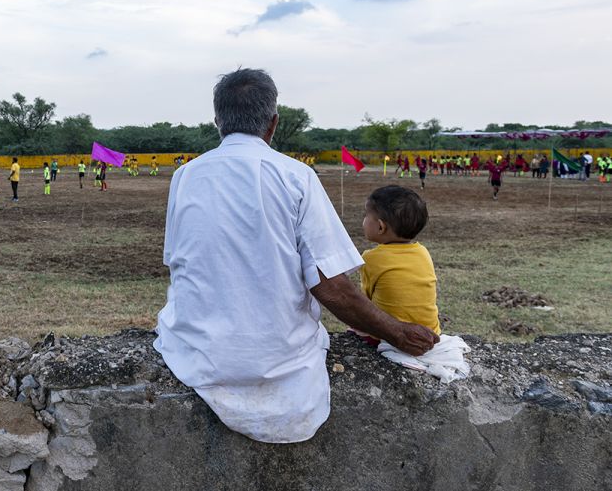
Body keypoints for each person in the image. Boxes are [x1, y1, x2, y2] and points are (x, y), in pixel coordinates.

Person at [154, 68, 438, 444]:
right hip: (282, 366)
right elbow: (331, 287)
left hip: (196, 354)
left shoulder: (185, 177)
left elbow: (179, 264)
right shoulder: (296, 176)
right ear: (273, 124)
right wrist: (396, 332)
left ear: (218, 122)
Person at [359, 186, 440, 342]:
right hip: (430, 332)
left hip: (389, 335)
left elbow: (366, 303)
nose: (363, 221)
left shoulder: (371, 258)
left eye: (366, 215)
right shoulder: (423, 252)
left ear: (381, 227)